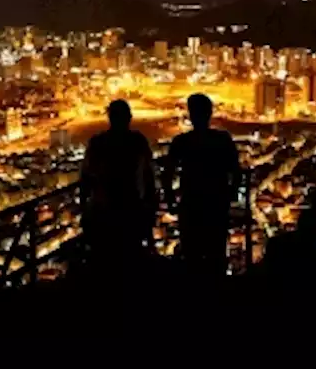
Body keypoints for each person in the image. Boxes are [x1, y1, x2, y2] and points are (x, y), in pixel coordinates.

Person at [163, 94, 241, 276]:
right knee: (216, 252)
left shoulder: (181, 142)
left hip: (191, 204)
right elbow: (235, 171)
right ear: (210, 113)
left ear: (191, 114)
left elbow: (167, 174)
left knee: (192, 255)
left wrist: (170, 201)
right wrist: (230, 195)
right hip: (215, 205)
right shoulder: (222, 140)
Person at [80, 100, 157, 270]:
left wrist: (84, 207)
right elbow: (148, 175)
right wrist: (150, 205)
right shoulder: (137, 142)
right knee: (130, 256)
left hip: (105, 209)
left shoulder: (98, 143)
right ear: (129, 118)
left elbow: (86, 177)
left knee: (107, 259)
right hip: (131, 207)